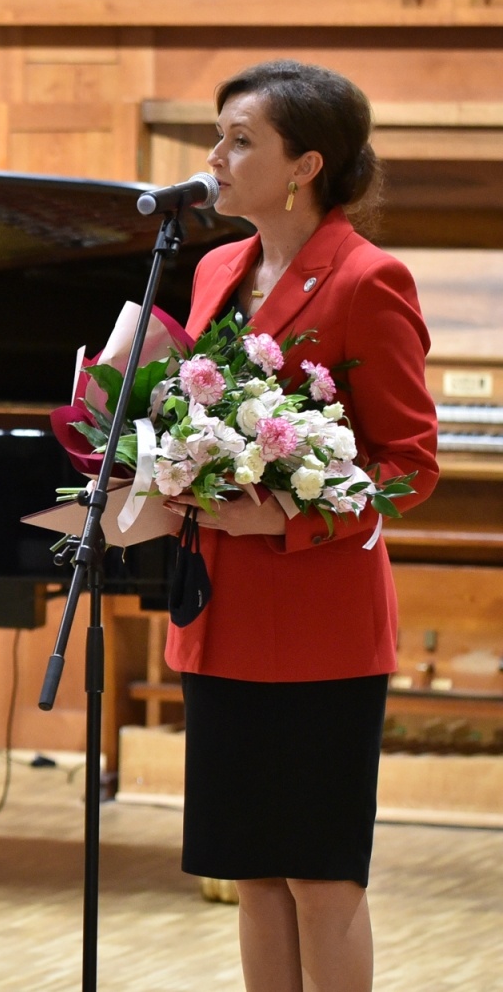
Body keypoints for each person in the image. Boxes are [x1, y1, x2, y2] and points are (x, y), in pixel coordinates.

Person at [168, 60, 439, 992]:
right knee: (250, 872)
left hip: (322, 623)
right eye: (219, 133)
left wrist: (286, 519)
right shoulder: (211, 269)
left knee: (320, 877)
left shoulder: (367, 278)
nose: (215, 156)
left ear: (304, 165)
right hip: (221, 611)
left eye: (241, 139)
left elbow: (409, 467)